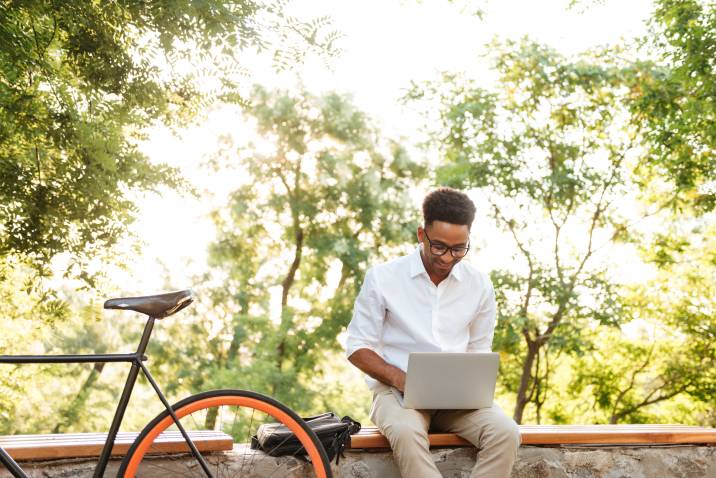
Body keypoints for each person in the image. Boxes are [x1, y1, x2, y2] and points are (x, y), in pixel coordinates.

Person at [345, 187, 520, 478]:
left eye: (458, 249)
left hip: (458, 399)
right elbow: (357, 347)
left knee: (506, 432)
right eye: (438, 246)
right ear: (420, 234)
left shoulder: (480, 285)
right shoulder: (384, 277)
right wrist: (401, 379)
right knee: (405, 431)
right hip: (396, 394)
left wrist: (471, 388)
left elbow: (479, 351)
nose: (448, 258)